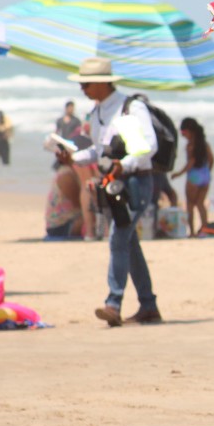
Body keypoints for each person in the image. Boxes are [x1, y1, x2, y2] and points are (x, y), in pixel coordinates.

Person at [57, 57, 161, 326]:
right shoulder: (97, 112)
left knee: (118, 239)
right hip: (115, 184)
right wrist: (74, 158)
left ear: (103, 84)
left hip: (136, 183)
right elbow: (99, 150)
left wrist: (123, 166)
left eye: (86, 83)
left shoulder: (131, 108)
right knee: (128, 244)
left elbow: (148, 146)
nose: (82, 89)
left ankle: (113, 303)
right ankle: (148, 306)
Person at [171, 117, 214, 237]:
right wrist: (208, 172)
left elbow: (191, 163)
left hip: (194, 177)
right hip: (205, 176)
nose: (183, 135)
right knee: (200, 204)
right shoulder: (205, 145)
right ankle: (205, 229)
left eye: (184, 132)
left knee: (190, 204)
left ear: (191, 131)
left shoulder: (190, 146)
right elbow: (211, 159)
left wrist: (178, 174)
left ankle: (193, 232)